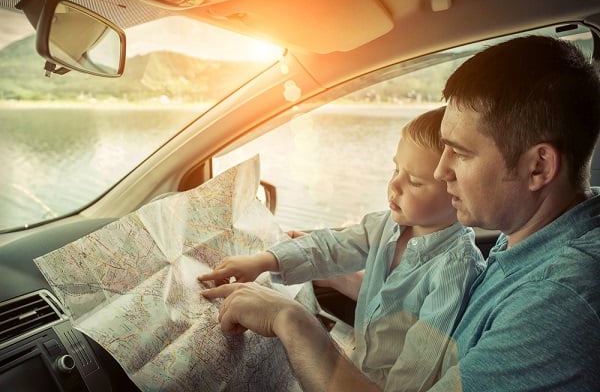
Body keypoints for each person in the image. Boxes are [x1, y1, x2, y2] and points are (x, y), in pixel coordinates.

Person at [201, 35, 600, 391]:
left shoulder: (559, 303)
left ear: (538, 168)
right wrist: (345, 277)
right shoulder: (529, 242)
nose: (443, 172)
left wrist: (290, 320)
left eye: (460, 153)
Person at [199, 106, 485, 390]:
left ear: (456, 190)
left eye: (414, 182)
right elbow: (331, 247)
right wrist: (265, 260)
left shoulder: (455, 270)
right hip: (361, 365)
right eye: (396, 169)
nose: (393, 185)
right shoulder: (388, 225)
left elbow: (422, 363)